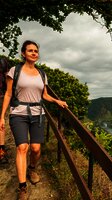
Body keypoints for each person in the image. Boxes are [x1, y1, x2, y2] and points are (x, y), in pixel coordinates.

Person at [0, 40, 68, 200]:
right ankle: (22, 187)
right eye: (30, 50)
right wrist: (1, 116)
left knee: (36, 148)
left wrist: (57, 101)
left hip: (38, 114)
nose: (34, 53)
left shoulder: (42, 74)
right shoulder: (14, 71)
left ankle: (32, 168)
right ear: (23, 53)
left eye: (36, 51)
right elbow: (8, 94)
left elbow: (44, 95)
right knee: (22, 147)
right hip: (18, 113)